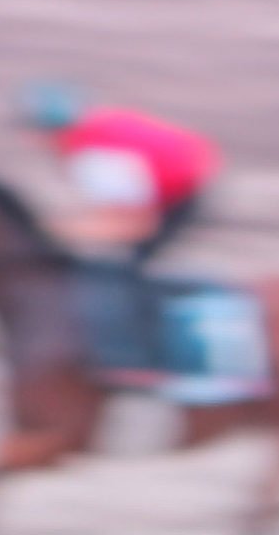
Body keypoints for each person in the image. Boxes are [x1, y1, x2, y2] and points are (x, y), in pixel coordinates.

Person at [23, 82, 222, 382]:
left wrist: (56, 231)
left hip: (180, 196)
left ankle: (138, 361)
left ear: (46, 131)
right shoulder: (93, 135)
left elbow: (133, 226)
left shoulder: (93, 156)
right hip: (176, 183)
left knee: (123, 272)